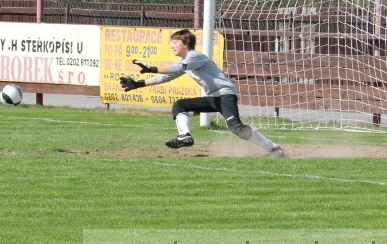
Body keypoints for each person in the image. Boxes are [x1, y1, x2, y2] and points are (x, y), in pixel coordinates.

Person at [120, 29, 285, 157]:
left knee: (236, 128)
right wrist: (137, 84)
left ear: (185, 44)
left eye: (174, 42)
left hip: (225, 95)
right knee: (180, 105)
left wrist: (151, 68)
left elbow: (176, 69)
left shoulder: (194, 56)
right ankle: (185, 136)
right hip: (213, 97)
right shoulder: (185, 60)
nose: (171, 46)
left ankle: (274, 148)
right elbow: (166, 77)